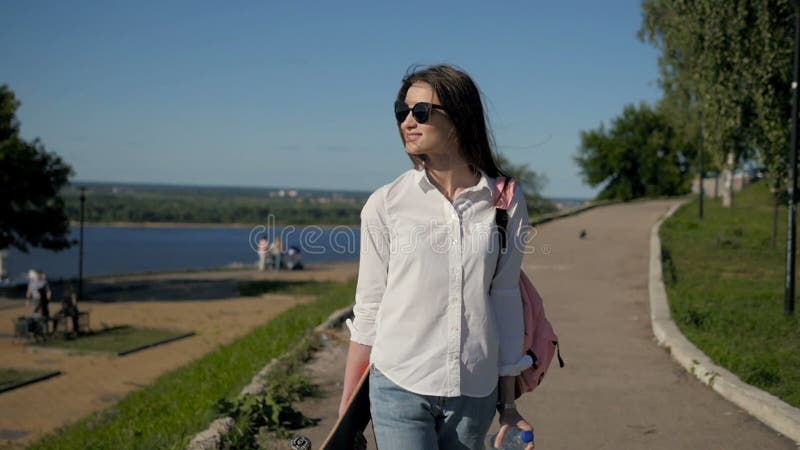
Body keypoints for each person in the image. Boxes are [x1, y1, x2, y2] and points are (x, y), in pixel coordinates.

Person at [339, 65, 536, 450]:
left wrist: (508, 405)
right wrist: (347, 410)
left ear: (460, 117)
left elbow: (505, 297)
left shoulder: (504, 201)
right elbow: (369, 308)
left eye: (422, 112)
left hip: (474, 390)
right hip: (398, 383)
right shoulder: (386, 203)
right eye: (402, 112)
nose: (408, 122)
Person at [25, 270, 52, 335]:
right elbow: (29, 291)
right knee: (36, 314)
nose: (38, 276)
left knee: (44, 314)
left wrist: (48, 300)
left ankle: (46, 330)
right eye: (37, 274)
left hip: (43, 300)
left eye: (39, 274)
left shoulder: (44, 282)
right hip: (35, 300)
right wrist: (27, 300)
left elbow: (49, 292)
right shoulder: (32, 283)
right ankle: (37, 330)